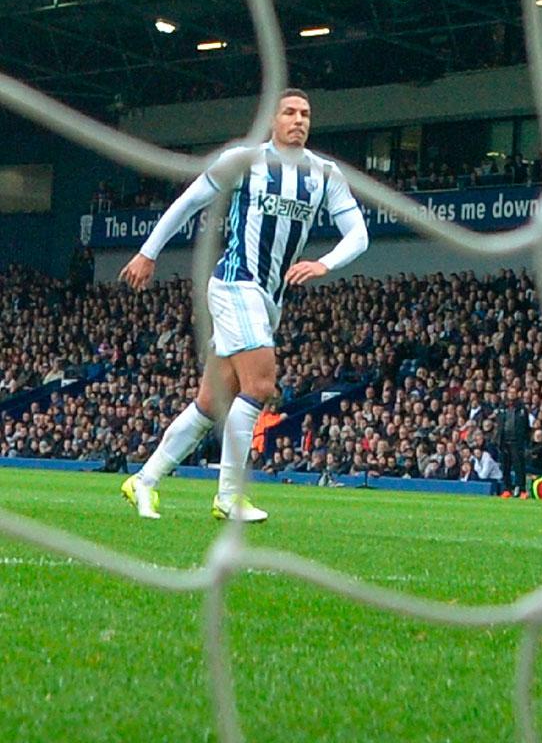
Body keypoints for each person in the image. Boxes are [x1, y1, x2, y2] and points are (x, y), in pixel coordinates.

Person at [119, 88, 369, 523]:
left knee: (212, 402)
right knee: (261, 385)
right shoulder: (244, 161)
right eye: (289, 112)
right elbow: (188, 201)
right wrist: (148, 251)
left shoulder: (324, 174)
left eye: (305, 114)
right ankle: (229, 497)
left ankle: (144, 479)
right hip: (236, 284)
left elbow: (358, 235)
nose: (298, 120)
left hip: (270, 296)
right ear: (272, 120)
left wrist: (323, 264)